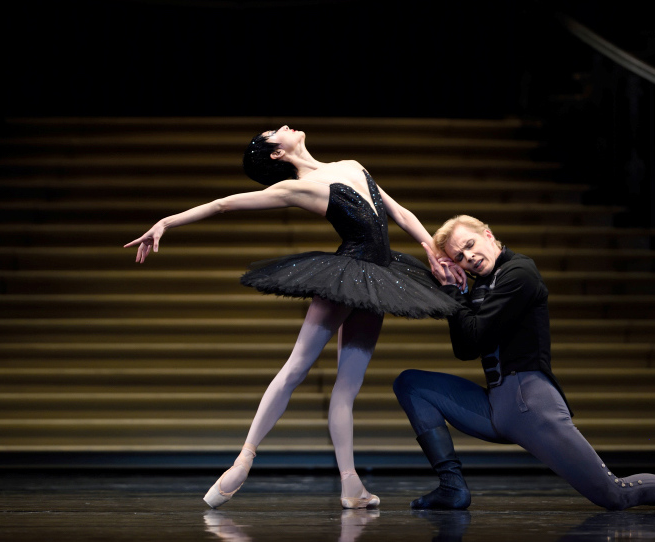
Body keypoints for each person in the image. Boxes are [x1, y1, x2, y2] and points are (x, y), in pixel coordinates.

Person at [124, 125, 457, 510]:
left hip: (377, 279)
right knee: (297, 366)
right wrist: (167, 222)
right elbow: (223, 204)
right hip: (348, 273)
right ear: (276, 155)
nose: (283, 126)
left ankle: (351, 485)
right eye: (273, 132)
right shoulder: (297, 188)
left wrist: (429, 247)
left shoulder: (351, 164)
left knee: (348, 386)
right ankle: (242, 461)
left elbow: (397, 211)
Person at [395, 214, 655, 511]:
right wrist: (456, 294)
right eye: (458, 257)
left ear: (488, 234)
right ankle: (451, 487)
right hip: (496, 406)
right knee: (411, 383)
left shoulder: (520, 273)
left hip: (530, 405)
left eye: (470, 245)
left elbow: (472, 336)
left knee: (616, 495)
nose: (468, 258)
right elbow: (464, 349)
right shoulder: (480, 287)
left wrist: (455, 297)